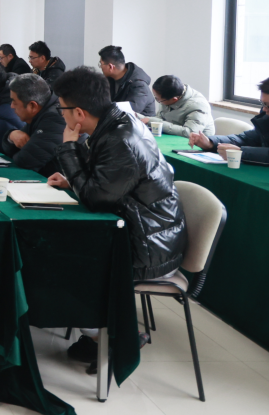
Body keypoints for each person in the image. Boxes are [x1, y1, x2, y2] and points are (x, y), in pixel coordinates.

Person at [48, 66, 186, 372]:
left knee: (60, 260)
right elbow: (107, 181)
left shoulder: (120, 138)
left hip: (148, 247)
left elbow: (95, 198)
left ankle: (115, 336)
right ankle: (98, 328)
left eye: (62, 109)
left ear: (79, 113)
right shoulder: (116, 122)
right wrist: (73, 179)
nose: (61, 115)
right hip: (144, 230)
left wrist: (69, 149)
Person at [2, 74, 65, 177]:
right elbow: (8, 149)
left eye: (14, 102)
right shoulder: (40, 113)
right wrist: (11, 135)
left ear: (32, 106)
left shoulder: (54, 119)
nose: (11, 106)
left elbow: (26, 161)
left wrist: (18, 150)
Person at [140, 76, 214, 137]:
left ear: (174, 99)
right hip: (171, 137)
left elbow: (189, 133)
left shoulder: (198, 105)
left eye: (158, 99)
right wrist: (138, 116)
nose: (158, 101)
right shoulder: (168, 94)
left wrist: (152, 121)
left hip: (196, 145)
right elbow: (160, 119)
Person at [98, 45, 155, 115]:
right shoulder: (110, 79)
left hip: (138, 121)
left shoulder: (139, 85)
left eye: (101, 64)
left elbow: (130, 113)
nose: (100, 67)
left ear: (110, 67)